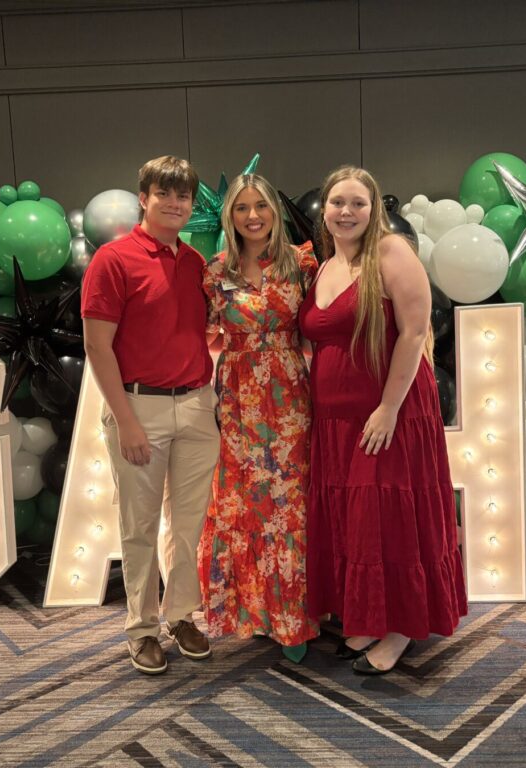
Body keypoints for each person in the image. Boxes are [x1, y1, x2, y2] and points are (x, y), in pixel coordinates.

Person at [298, 165, 468, 675]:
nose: (346, 212)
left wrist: (389, 408)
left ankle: (401, 628)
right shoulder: (326, 266)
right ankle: (371, 616)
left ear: (374, 210)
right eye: (337, 202)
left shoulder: (391, 252)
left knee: (390, 521)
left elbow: (414, 333)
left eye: (358, 203)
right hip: (336, 420)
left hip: (388, 411)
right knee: (357, 523)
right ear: (324, 210)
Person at [81, 155, 219, 675]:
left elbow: (192, 331)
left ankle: (180, 615)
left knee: (188, 526)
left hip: (197, 406)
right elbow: (97, 347)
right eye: (164, 194)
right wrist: (127, 421)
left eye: (183, 196)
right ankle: (141, 628)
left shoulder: (195, 263)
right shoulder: (113, 259)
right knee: (138, 526)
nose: (175, 204)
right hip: (139, 405)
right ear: (143, 198)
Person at [199, 174, 320, 662]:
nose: (253, 216)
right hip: (238, 400)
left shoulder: (302, 264)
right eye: (242, 208)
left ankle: (294, 618)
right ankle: (253, 612)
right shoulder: (215, 271)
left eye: (261, 206)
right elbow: (204, 332)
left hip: (290, 398)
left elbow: (319, 329)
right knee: (244, 503)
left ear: (275, 211)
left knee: (290, 505)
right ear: (230, 216)